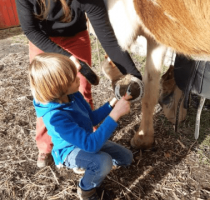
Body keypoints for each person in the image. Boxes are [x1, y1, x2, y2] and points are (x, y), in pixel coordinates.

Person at [15, 0, 142, 167]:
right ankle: (47, 147)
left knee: (82, 88)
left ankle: (88, 141)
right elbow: (30, 30)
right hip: (42, 37)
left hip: (75, 35)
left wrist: (134, 75)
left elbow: (108, 38)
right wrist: (67, 58)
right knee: (46, 95)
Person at [29, 53, 133, 200]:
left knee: (126, 158)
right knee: (103, 161)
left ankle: (95, 165)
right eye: (72, 78)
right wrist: (115, 115)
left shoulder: (72, 95)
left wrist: (113, 102)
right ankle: (86, 191)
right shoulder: (55, 118)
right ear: (58, 87)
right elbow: (91, 145)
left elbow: (91, 118)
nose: (78, 78)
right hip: (70, 150)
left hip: (86, 140)